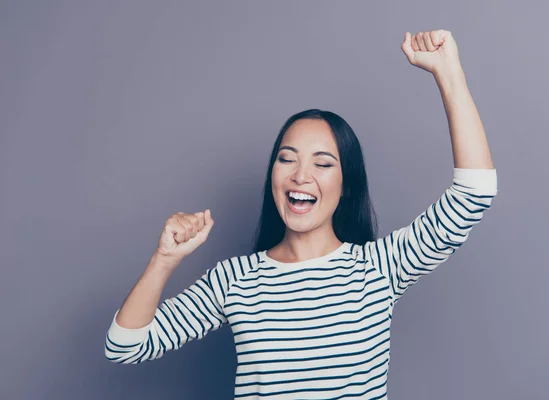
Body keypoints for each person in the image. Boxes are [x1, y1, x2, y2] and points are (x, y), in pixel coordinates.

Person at [104, 29, 497, 399]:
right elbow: (124, 346)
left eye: (323, 164)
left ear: (346, 185)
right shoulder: (234, 280)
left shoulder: (379, 269)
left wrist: (449, 74)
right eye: (286, 158)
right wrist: (164, 261)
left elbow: (473, 194)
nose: (300, 175)